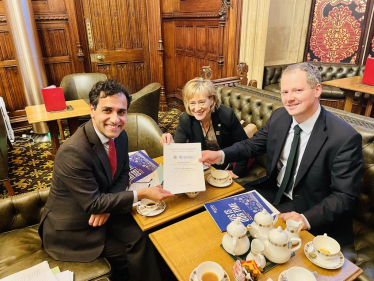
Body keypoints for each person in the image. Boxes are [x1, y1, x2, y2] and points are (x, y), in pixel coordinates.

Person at [199, 63, 363, 246]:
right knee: (215, 217)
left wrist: (306, 219)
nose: (289, 99)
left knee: (258, 245)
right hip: (272, 191)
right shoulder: (280, 117)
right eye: (285, 92)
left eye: (297, 90)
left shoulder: (344, 138)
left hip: (309, 209)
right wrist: (220, 155)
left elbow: (345, 196)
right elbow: (252, 145)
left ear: (317, 90)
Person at [38, 79, 174, 281]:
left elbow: (123, 173)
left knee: (143, 237)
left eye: (121, 112)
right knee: (132, 256)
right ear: (92, 110)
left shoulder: (121, 136)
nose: (115, 119)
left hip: (101, 209)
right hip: (74, 228)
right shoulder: (72, 152)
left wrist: (106, 207)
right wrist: (142, 193)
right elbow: (93, 203)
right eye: (107, 110)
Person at [160, 77, 249, 179]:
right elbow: (179, 152)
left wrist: (237, 172)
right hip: (203, 166)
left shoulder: (226, 115)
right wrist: (171, 146)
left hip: (226, 164)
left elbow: (244, 145)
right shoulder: (185, 119)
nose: (197, 108)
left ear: (211, 100)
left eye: (201, 102)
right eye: (192, 103)